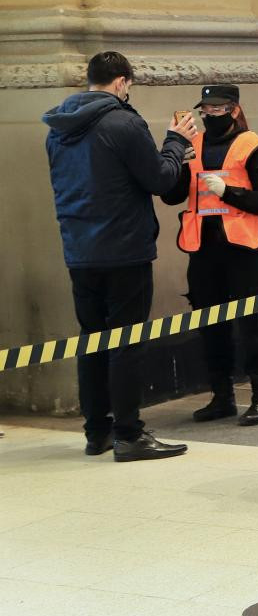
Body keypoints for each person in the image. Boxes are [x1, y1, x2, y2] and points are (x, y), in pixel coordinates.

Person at [43, 51, 194, 462]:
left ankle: (97, 432)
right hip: (124, 249)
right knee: (126, 343)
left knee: (92, 341)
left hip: (79, 249)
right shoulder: (124, 122)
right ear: (123, 82)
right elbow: (161, 179)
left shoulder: (57, 128)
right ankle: (129, 434)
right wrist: (177, 143)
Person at [161, 85, 258, 425]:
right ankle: (221, 396)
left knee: (253, 325)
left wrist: (228, 191)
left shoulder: (253, 146)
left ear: (233, 109)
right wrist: (171, 156)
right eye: (206, 110)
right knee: (210, 325)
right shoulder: (194, 146)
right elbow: (172, 196)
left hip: (244, 249)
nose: (210, 115)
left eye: (217, 109)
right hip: (202, 249)